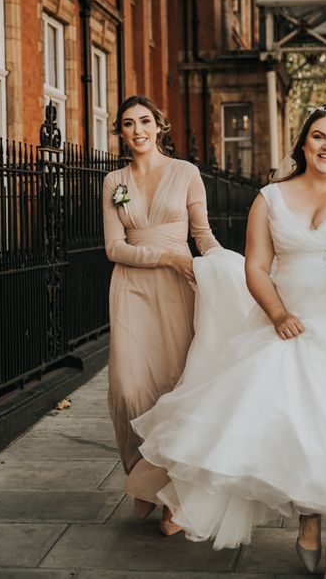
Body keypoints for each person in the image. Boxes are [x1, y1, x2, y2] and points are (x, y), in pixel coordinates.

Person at [133, 106, 326, 579]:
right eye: (318, 137)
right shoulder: (270, 198)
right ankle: (308, 516)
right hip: (290, 325)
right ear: (303, 144)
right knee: (298, 433)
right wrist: (278, 313)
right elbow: (256, 266)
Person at [102, 95, 220, 536]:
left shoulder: (186, 173)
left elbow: (202, 235)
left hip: (179, 287)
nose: (138, 130)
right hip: (131, 286)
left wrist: (227, 270)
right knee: (128, 388)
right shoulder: (113, 180)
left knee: (176, 388)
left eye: (145, 121)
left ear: (159, 125)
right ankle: (142, 473)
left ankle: (173, 494)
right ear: (120, 133)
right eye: (129, 124)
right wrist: (163, 258)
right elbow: (114, 248)